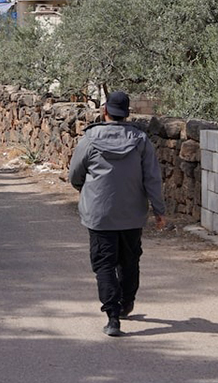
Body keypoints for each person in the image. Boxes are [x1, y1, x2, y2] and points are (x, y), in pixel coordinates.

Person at [68, 90, 166, 337]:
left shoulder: (90, 140)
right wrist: (159, 210)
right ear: (127, 113)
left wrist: (85, 189)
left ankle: (112, 316)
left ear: (105, 111)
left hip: (100, 215)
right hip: (132, 214)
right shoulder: (141, 140)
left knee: (104, 264)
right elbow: (152, 178)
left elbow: (75, 174)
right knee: (130, 260)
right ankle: (126, 302)